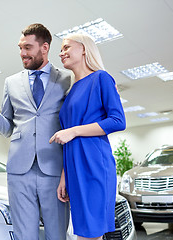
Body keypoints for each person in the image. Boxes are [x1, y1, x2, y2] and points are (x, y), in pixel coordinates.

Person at [0, 23, 71, 240]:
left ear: (44, 48)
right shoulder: (11, 82)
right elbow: (7, 128)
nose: (22, 53)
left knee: (57, 234)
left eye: (28, 47)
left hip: (54, 169)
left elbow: (72, 122)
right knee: (24, 235)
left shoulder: (66, 79)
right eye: (20, 47)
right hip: (19, 171)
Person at [49, 33, 126, 240]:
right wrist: (64, 176)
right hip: (75, 168)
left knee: (91, 233)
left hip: (94, 165)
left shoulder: (101, 78)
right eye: (61, 49)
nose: (61, 52)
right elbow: (67, 136)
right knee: (83, 232)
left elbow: (118, 121)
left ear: (84, 49)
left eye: (66, 47)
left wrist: (73, 131)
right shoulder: (72, 91)